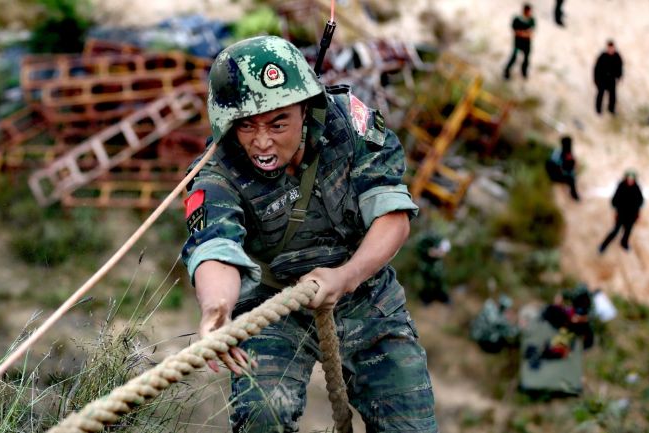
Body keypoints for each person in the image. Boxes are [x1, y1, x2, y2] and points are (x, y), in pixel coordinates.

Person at [180, 36, 437, 432]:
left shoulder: (349, 124)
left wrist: (345, 277)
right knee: (262, 417)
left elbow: (393, 215)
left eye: (277, 123)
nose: (261, 141)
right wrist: (217, 307)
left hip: (365, 294)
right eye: (246, 125)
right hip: (274, 306)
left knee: (410, 426)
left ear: (305, 108)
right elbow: (215, 246)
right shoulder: (215, 172)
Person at [599, 170, 644, 253]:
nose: (630, 181)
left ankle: (624, 243)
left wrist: (637, 212)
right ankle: (603, 245)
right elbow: (614, 201)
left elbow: (641, 201)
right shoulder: (621, 186)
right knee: (615, 231)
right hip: (621, 215)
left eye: (632, 179)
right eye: (628, 179)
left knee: (628, 231)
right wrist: (618, 209)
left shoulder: (637, 188)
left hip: (631, 215)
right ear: (625, 178)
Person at [415, 231, 450, 304]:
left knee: (440, 282)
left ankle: (442, 298)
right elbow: (419, 248)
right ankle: (426, 299)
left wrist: (442, 251)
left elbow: (445, 246)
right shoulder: (423, 238)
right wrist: (428, 251)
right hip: (426, 265)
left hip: (437, 266)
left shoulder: (439, 238)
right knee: (426, 283)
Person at [503, 3, 535, 80]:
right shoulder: (517, 19)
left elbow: (530, 33)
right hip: (518, 43)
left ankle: (524, 72)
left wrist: (522, 33)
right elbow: (516, 32)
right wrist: (524, 33)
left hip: (526, 44)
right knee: (514, 57)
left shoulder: (531, 20)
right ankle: (507, 71)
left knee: (526, 59)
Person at [545, 135, 579, 201]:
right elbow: (553, 164)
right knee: (571, 179)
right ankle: (574, 195)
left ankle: (573, 194)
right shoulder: (558, 154)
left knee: (571, 178)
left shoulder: (568, 154)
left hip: (563, 174)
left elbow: (572, 167)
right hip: (556, 175)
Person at [593, 40, 623, 115]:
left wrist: (619, 77)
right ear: (607, 48)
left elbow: (620, 67)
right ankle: (598, 110)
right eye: (609, 48)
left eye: (612, 48)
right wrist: (596, 80)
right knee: (600, 94)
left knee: (612, 96)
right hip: (602, 79)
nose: (610, 50)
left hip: (612, 79)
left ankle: (611, 109)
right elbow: (596, 68)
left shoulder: (617, 56)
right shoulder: (602, 56)